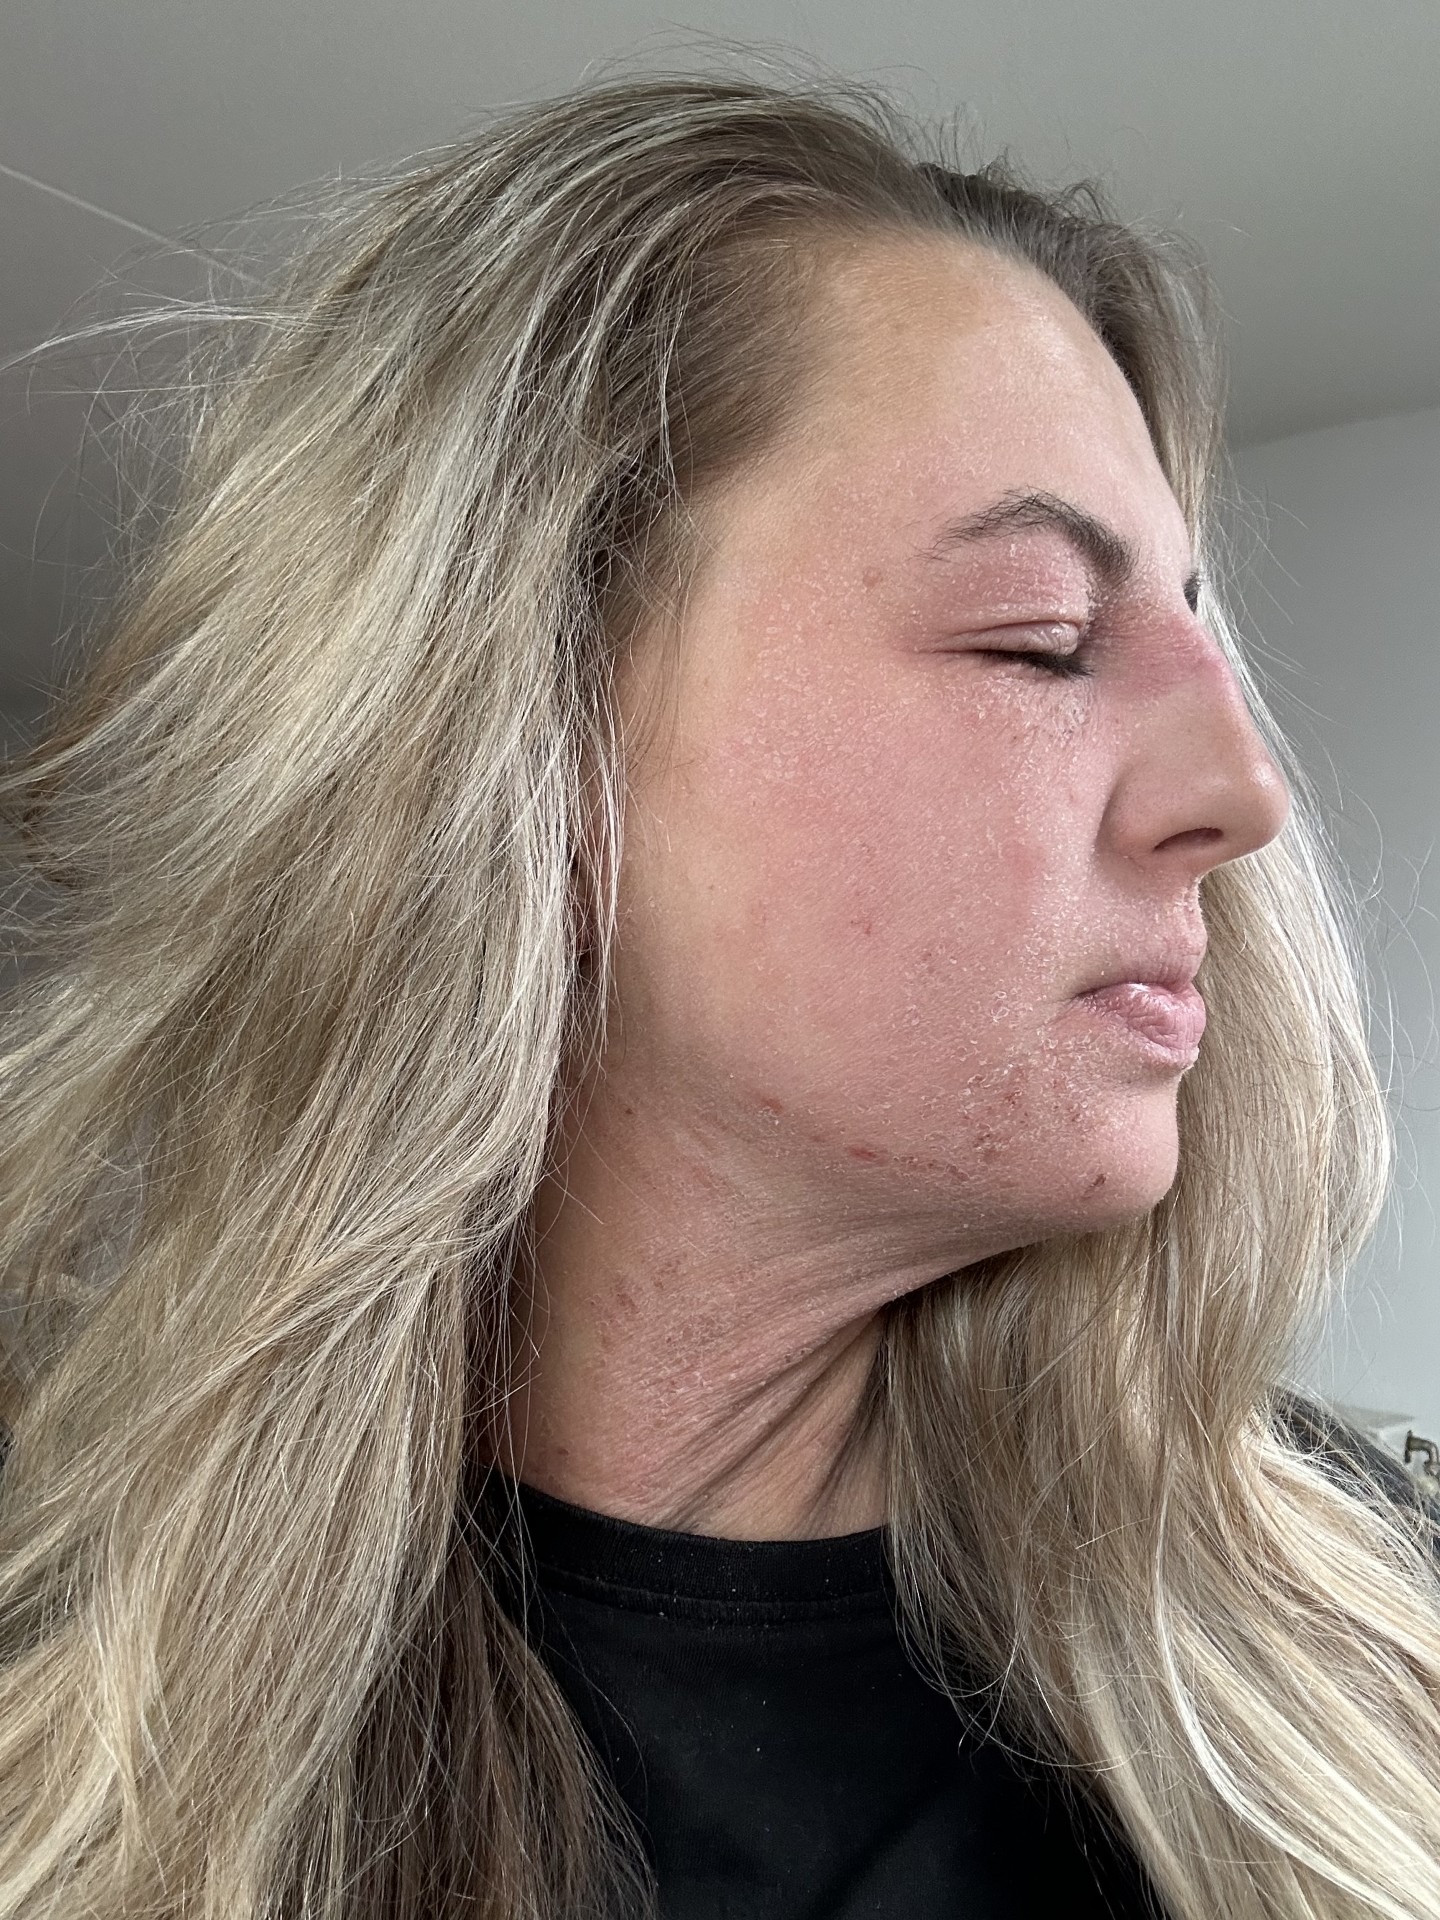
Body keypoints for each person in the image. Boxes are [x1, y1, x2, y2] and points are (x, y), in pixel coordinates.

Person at [0, 67, 1436, 1920]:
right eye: (1041, 638)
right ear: (525, 749)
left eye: (1193, 633)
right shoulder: (64, 1706)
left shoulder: (1375, 1653)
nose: (1243, 796)